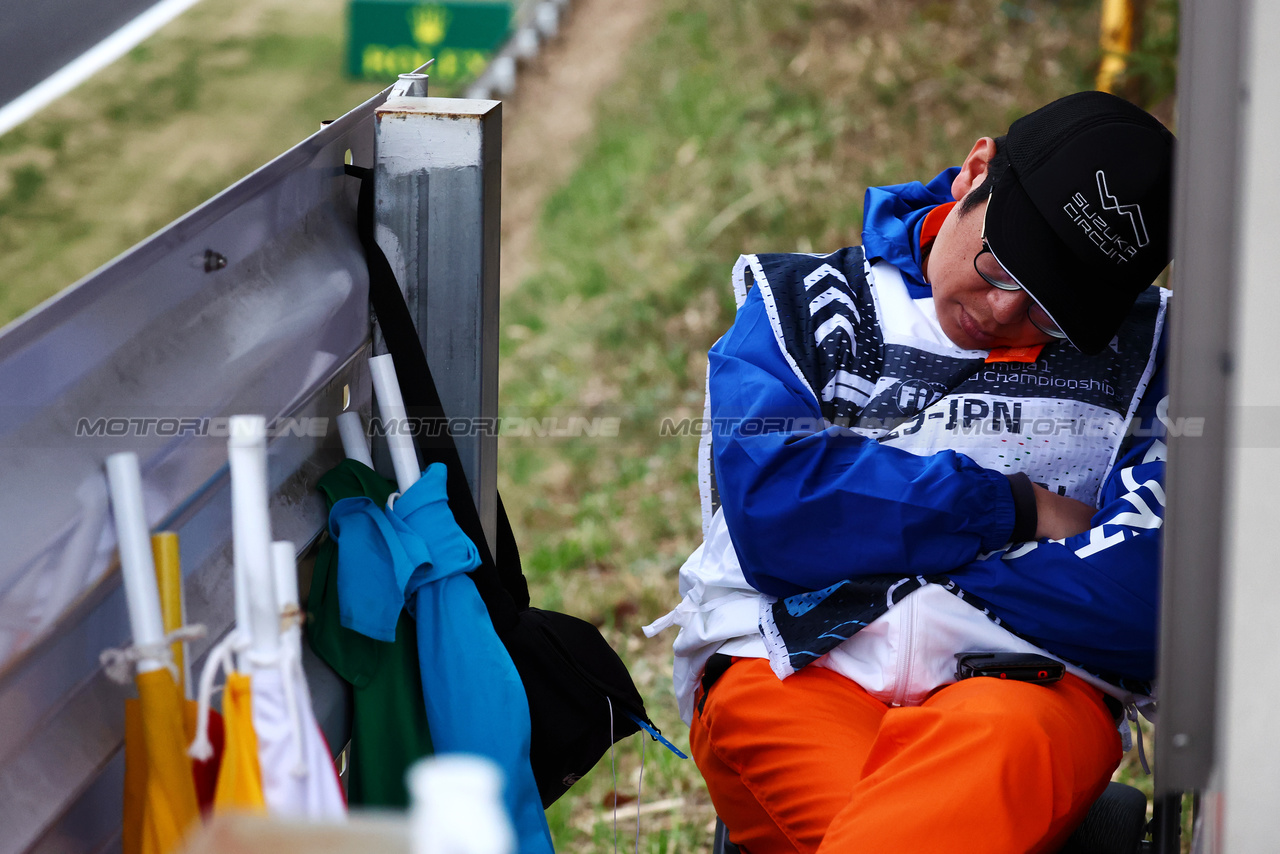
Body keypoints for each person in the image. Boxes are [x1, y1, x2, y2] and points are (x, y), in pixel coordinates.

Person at [644, 91, 1174, 853]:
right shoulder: (802, 305)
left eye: (1050, 311)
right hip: (793, 661)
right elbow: (777, 504)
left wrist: (909, 565)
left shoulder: (1157, 357)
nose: (1000, 310)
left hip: (1026, 686)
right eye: (1000, 264)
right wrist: (1015, 510)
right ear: (975, 172)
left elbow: (1147, 597)